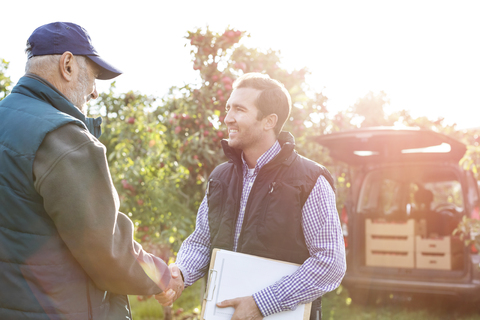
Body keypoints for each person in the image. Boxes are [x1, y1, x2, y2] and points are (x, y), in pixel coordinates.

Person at [0, 22, 177, 319]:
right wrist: (160, 276)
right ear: (67, 65)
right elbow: (107, 250)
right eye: (93, 77)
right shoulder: (64, 137)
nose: (95, 92)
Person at [156, 73, 346, 319]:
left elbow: (330, 263)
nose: (228, 118)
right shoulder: (220, 178)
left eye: (239, 109)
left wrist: (262, 303)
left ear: (269, 121)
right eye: (228, 108)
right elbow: (202, 241)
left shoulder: (310, 180)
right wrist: (180, 274)